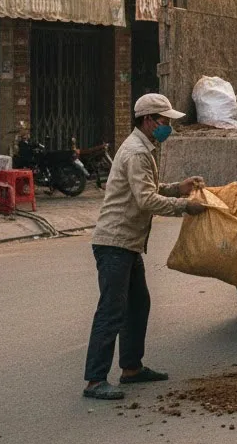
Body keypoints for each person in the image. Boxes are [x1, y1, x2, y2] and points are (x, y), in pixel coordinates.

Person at [83, 94, 208, 400]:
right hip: (115, 243)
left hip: (127, 243)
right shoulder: (138, 152)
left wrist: (179, 186)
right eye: (165, 122)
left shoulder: (144, 149)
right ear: (148, 120)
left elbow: (148, 188)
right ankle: (95, 380)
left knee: (138, 304)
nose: (168, 128)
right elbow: (146, 200)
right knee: (111, 311)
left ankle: (131, 369)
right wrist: (184, 205)